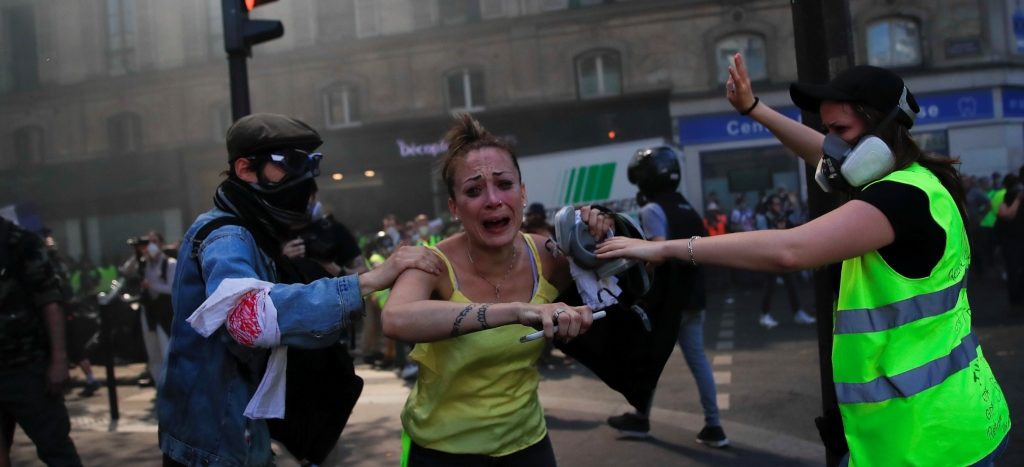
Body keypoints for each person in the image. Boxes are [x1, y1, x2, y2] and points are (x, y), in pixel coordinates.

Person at [597, 54, 1011, 466]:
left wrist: (667, 247)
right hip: (951, 421)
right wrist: (753, 109)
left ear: (882, 131)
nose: (830, 144)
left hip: (927, 441)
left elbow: (788, 251)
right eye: (826, 131)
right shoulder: (919, 182)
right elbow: (825, 155)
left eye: (840, 130)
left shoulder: (898, 199)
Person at [157, 113, 442, 467]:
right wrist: (367, 280)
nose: (304, 175)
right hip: (214, 447)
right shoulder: (227, 236)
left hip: (238, 436)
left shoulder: (255, 232)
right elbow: (248, 318)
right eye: (291, 162)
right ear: (246, 169)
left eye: (311, 163)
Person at [382, 113, 601, 466]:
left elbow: (627, 281)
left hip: (528, 445)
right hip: (441, 451)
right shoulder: (433, 262)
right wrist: (516, 311)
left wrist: (603, 230)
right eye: (473, 190)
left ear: (523, 192)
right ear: (454, 207)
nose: (493, 200)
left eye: (504, 184)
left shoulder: (547, 256)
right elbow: (395, 318)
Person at [605, 146, 729, 448]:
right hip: (693, 296)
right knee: (698, 361)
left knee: (648, 359)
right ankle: (714, 426)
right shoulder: (687, 208)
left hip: (668, 301)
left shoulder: (652, 210)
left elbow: (657, 251)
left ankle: (641, 417)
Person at [0, 217, 83, 467]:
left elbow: (50, 300)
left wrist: (59, 360)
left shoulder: (19, 242)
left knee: (56, 450)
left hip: (26, 368)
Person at [756, 194, 816, 328]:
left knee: (791, 284)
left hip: (781, 256)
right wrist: (777, 229)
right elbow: (762, 236)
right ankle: (764, 314)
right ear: (770, 206)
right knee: (769, 287)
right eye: (775, 204)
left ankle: (797, 312)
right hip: (770, 257)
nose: (778, 206)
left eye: (779, 203)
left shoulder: (782, 216)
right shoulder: (764, 218)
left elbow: (793, 229)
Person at [140, 230, 175, 389]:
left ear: (161, 244)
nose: (151, 246)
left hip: (165, 313)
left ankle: (170, 385)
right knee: (153, 352)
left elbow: (171, 288)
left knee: (166, 348)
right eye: (148, 242)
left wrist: (152, 285)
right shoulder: (145, 263)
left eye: (154, 242)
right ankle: (159, 384)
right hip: (150, 312)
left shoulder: (170, 263)